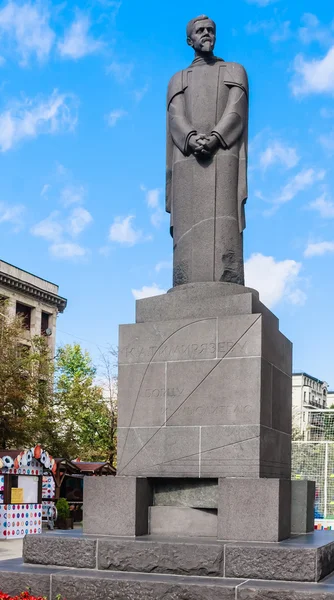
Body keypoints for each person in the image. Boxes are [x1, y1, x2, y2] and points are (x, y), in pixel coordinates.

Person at [166, 15, 249, 286]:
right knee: (186, 236)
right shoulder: (178, 79)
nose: (206, 34)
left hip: (223, 155)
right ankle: (186, 281)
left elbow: (236, 110)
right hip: (187, 158)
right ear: (190, 40)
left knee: (223, 226)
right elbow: (175, 117)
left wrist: (215, 138)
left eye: (210, 30)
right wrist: (191, 139)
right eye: (200, 31)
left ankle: (226, 281)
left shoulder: (234, 70)